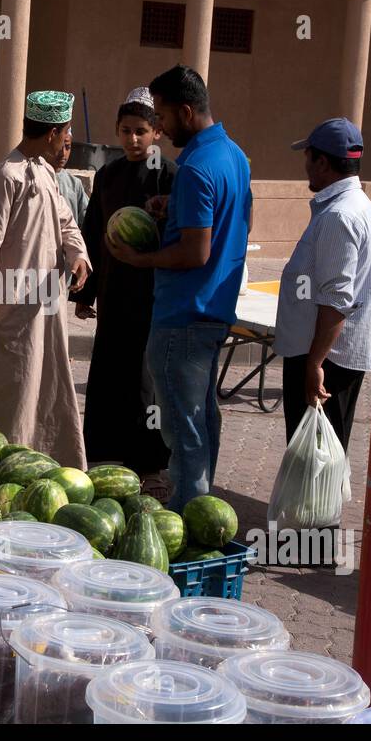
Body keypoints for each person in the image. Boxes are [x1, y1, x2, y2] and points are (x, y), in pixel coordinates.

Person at [106, 66, 251, 513]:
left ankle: (188, 514)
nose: (161, 128)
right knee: (204, 418)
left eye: (164, 116)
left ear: (186, 111)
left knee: (182, 427)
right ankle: (204, 507)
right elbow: (233, 223)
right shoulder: (233, 156)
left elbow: (195, 253)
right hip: (214, 311)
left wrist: (139, 259)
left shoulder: (196, 169)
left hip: (183, 314)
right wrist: (175, 208)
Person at [0, 90, 92, 468]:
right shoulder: (7, 175)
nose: (65, 143)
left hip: (47, 301)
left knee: (47, 381)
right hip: (11, 306)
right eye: (65, 134)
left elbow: (66, 221)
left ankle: (45, 460)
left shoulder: (44, 171)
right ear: (53, 133)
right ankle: (6, 463)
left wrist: (79, 255)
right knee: (14, 387)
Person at [71, 87, 175, 491]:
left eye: (141, 132)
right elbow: (94, 233)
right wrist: (85, 293)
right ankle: (100, 453)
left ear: (157, 134)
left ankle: (149, 463)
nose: (133, 140)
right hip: (115, 291)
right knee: (109, 372)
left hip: (153, 294)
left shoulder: (172, 177)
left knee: (145, 380)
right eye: (126, 131)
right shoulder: (108, 176)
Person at [274, 118, 371, 449]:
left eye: (308, 157)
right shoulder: (352, 206)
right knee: (317, 459)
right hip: (322, 354)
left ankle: (317, 506)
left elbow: (337, 299)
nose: (305, 166)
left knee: (315, 461)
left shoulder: (341, 216)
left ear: (322, 162)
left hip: (325, 358)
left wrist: (315, 364)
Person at [52, 129, 89, 226]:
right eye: (59, 146)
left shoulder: (75, 184)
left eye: (67, 147)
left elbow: (88, 221)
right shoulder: (36, 177)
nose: (63, 153)